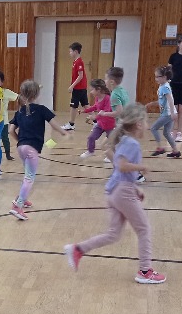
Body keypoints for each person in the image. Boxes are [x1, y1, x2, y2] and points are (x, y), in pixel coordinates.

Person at [63, 103, 166, 284]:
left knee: (113, 234)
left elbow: (117, 164)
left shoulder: (124, 140)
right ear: (138, 124)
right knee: (144, 229)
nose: (148, 125)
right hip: (122, 192)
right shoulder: (132, 143)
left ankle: (78, 249)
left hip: (115, 190)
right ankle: (145, 271)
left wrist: (134, 188)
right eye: (146, 121)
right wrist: (142, 167)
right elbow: (122, 166)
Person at [8, 79, 66, 220]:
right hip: (31, 149)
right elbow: (54, 125)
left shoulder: (19, 111)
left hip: (21, 148)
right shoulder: (41, 109)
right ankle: (17, 206)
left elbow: (10, 131)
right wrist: (64, 133)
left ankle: (22, 198)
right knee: (30, 178)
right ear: (37, 95)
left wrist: (21, 141)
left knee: (27, 175)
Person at [145, 66, 181, 158]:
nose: (156, 79)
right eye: (155, 76)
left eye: (158, 77)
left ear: (164, 77)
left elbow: (170, 100)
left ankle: (159, 148)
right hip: (169, 113)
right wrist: (152, 104)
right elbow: (162, 101)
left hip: (167, 114)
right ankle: (175, 151)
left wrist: (172, 113)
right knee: (166, 133)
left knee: (153, 128)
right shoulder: (163, 86)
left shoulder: (165, 87)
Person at [103, 67, 131, 166]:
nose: (104, 81)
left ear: (111, 82)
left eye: (106, 79)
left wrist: (104, 114)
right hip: (127, 122)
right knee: (112, 145)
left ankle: (123, 168)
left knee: (108, 146)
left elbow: (119, 112)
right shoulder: (122, 90)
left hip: (122, 124)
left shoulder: (114, 95)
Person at [80, 79, 114, 159]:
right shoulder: (97, 98)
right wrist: (85, 110)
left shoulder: (107, 98)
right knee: (91, 137)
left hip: (110, 125)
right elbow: (95, 106)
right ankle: (90, 151)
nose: (91, 92)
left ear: (98, 89)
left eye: (92, 90)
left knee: (112, 142)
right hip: (100, 124)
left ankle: (112, 156)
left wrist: (95, 117)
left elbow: (105, 111)